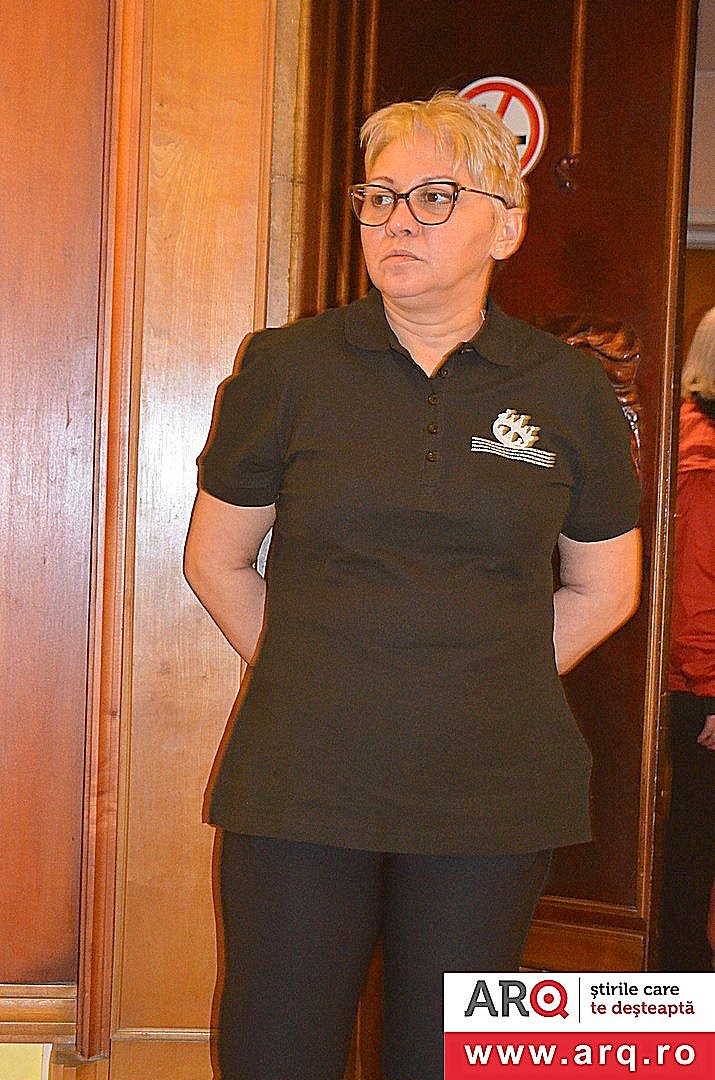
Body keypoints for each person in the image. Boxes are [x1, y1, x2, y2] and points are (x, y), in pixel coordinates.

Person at [184, 92, 642, 1080]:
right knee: (275, 1054)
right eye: (379, 196)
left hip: (492, 796)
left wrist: (480, 679)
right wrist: (321, 669)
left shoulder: (566, 390)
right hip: (303, 786)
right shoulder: (287, 368)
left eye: (435, 196)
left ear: (506, 226)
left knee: (448, 1058)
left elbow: (605, 589)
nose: (397, 219)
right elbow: (216, 560)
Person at [658, 306, 715, 971]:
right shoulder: (700, 453)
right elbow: (694, 589)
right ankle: (683, 978)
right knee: (694, 838)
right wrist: (709, 694)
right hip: (700, 689)